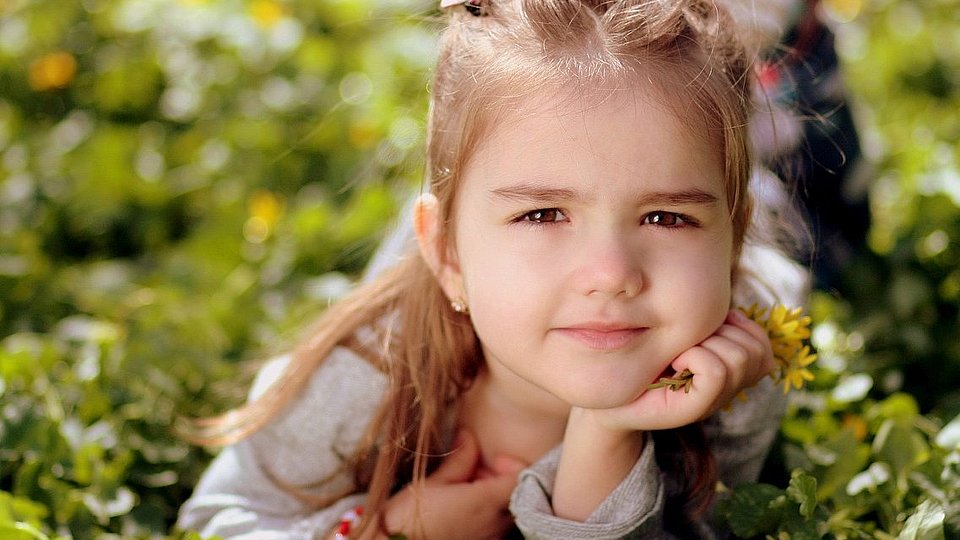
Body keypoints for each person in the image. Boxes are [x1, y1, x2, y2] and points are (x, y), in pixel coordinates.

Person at [177, 0, 810, 538]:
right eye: (543, 215)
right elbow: (220, 518)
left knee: (778, 146)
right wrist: (382, 529)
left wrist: (605, 433)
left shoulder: (733, 376)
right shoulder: (368, 367)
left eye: (666, 218)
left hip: (773, 215)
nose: (612, 274)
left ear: (730, 245)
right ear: (447, 257)